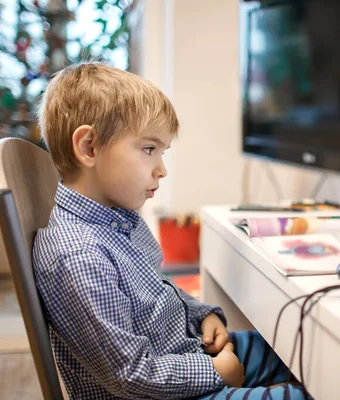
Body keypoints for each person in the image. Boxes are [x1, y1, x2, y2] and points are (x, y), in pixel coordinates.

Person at [33, 62, 307, 399]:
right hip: (158, 389)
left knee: (303, 352)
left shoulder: (119, 220)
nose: (162, 170)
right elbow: (130, 374)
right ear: (89, 147)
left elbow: (158, 292)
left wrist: (202, 315)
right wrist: (215, 371)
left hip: (181, 355)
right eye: (149, 149)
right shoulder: (78, 256)